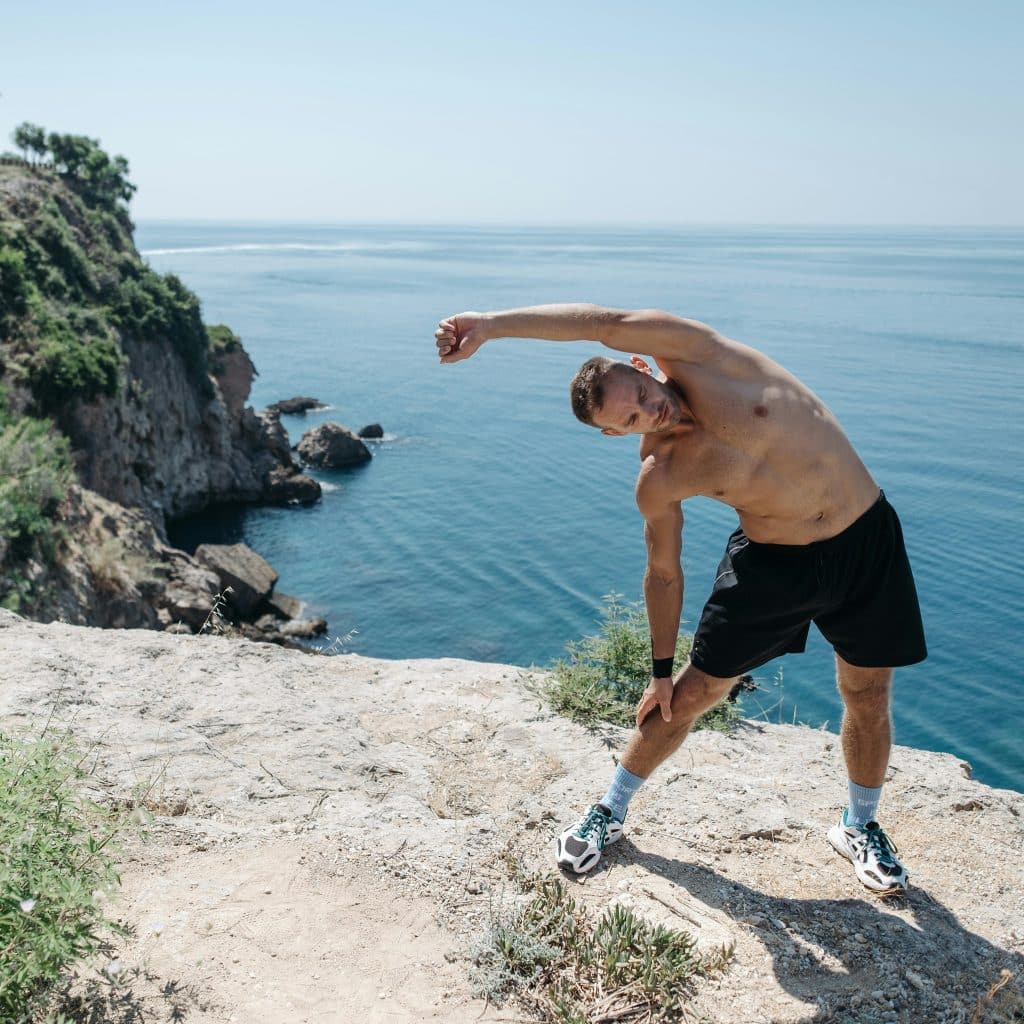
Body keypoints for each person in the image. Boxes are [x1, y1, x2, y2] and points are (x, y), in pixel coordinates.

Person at [435, 304, 927, 892]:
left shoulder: (706, 357)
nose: (652, 408)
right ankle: (610, 811)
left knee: (868, 693)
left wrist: (489, 326)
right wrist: (659, 672)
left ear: (643, 365)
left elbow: (603, 321)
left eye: (642, 390)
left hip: (865, 539)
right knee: (688, 695)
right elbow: (663, 574)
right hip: (774, 564)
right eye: (634, 415)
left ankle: (859, 824)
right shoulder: (660, 477)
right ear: (616, 433)